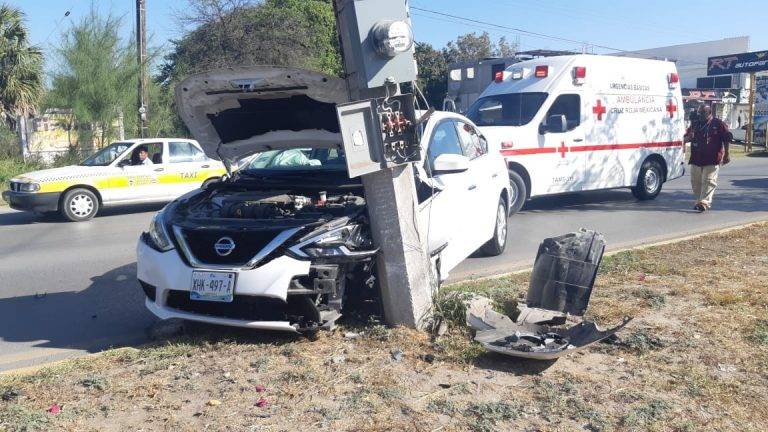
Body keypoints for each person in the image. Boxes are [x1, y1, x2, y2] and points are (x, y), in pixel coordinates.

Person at [684, 105, 731, 212]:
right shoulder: (695, 123)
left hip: (712, 158)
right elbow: (687, 137)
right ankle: (699, 200)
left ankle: (704, 202)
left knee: (709, 181)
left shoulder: (718, 123)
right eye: (699, 113)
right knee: (695, 182)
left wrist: (727, 154)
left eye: (702, 113)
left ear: (709, 113)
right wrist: (687, 138)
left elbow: (726, 138)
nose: (699, 115)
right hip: (696, 157)